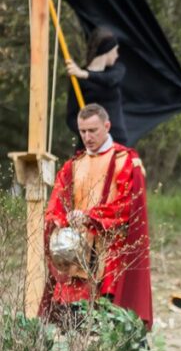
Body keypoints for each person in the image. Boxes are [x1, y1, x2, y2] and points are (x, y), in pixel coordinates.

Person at [43, 103, 152, 329]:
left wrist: (91, 217)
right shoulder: (73, 165)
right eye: (83, 131)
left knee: (109, 324)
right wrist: (58, 221)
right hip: (75, 255)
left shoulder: (126, 160)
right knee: (71, 324)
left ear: (107, 126)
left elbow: (128, 205)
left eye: (93, 130)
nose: (87, 137)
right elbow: (57, 203)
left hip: (110, 256)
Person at [64, 27, 128, 146]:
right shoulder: (78, 78)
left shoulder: (117, 70)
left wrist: (85, 74)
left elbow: (110, 80)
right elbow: (71, 117)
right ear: (107, 50)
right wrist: (88, 132)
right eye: (115, 50)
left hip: (116, 140)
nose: (117, 55)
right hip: (90, 144)